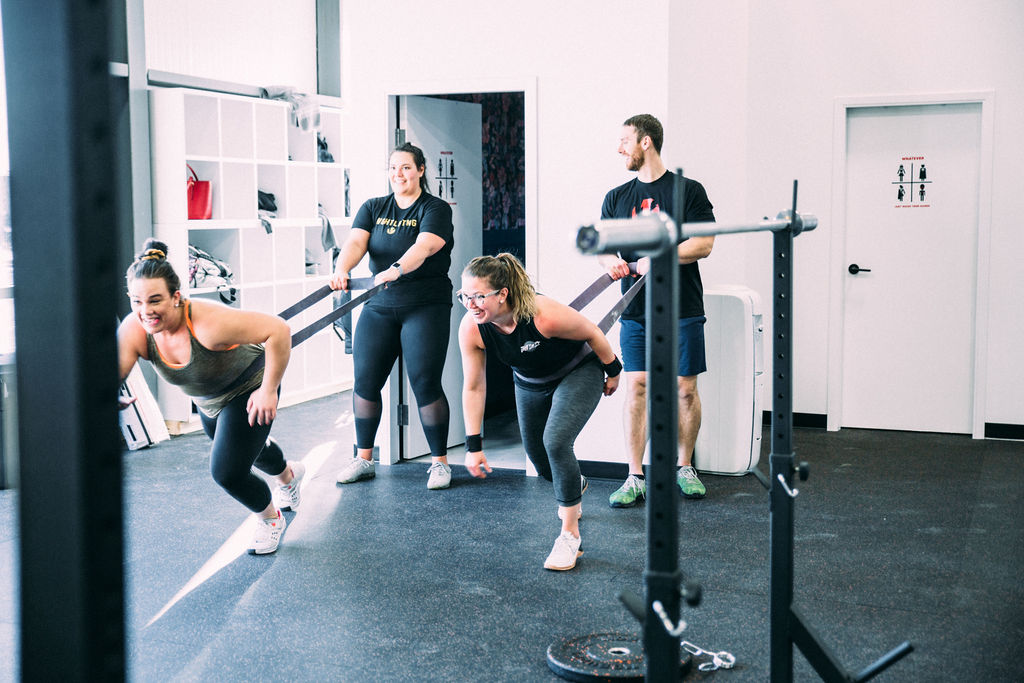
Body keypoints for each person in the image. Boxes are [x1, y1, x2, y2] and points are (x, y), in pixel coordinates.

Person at [118, 239, 303, 555]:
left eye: (155, 300)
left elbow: (279, 330)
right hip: (209, 401)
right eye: (137, 301)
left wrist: (268, 390)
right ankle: (289, 477)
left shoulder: (208, 322)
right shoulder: (135, 329)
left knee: (228, 472)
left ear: (176, 297)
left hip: (249, 389)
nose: (145, 311)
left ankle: (271, 520)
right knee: (250, 449)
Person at [458, 254, 622, 571]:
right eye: (464, 296)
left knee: (556, 442)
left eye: (478, 296)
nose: (471, 304)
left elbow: (592, 332)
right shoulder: (472, 329)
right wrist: (473, 446)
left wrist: (613, 370)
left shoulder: (542, 314)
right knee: (542, 462)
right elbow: (474, 387)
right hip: (530, 382)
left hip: (578, 370)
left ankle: (570, 536)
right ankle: (574, 484)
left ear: (502, 294)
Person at [599, 114, 716, 507]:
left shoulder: (688, 191)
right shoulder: (617, 197)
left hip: (682, 307)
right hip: (636, 310)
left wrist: (662, 256)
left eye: (625, 141)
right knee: (638, 386)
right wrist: (612, 263)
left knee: (685, 389)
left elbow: (704, 244)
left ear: (645, 141)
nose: (619, 148)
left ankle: (685, 466)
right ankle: (635, 476)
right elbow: (603, 248)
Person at [329, 142, 456, 489]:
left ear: (420, 170)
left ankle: (440, 463)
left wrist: (397, 269)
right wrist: (342, 268)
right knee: (365, 382)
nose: (398, 174)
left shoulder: (435, 208)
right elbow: (356, 243)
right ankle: (364, 459)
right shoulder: (373, 207)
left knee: (425, 382)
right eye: (393, 168)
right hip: (379, 305)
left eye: (406, 167)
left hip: (425, 305)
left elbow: (425, 246)